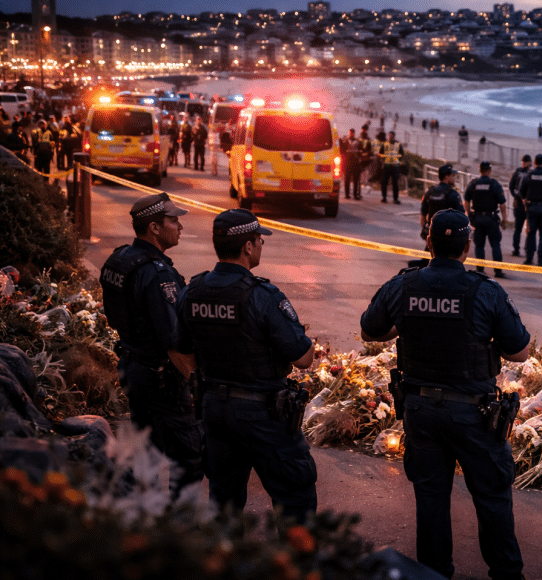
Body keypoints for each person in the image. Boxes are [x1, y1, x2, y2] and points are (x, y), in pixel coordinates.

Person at [359, 209, 530, 580]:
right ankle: (506, 574)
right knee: (492, 497)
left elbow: (370, 330)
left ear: (429, 242)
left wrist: (407, 325)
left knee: (431, 498)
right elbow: (519, 351)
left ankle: (433, 574)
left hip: (420, 411)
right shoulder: (485, 290)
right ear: (468, 246)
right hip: (475, 415)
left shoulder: (402, 286)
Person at [176, 209, 318, 522]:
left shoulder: (193, 291)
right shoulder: (262, 296)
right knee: (295, 497)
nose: (261, 247)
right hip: (263, 413)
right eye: (259, 241)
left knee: (223, 502)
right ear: (248, 247)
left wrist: (200, 378)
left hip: (214, 409)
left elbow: (177, 347)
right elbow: (302, 358)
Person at [99, 193, 203, 496]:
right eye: (173, 221)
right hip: (161, 380)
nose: (180, 227)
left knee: (147, 451)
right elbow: (174, 341)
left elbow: (113, 315)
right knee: (188, 458)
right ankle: (178, 521)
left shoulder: (120, 259)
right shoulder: (158, 274)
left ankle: (147, 513)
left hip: (133, 366)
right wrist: (197, 384)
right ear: (154, 228)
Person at [464, 161, 507, 278]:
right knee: (495, 245)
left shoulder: (473, 183)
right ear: (489, 171)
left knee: (479, 245)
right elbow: (502, 204)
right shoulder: (494, 184)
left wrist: (468, 214)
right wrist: (504, 219)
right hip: (491, 218)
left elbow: (466, 200)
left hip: (477, 218)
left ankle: (480, 270)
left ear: (480, 170)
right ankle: (498, 271)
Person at [421, 163, 465, 241]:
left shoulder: (429, 192)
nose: (454, 178)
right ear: (446, 177)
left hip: (432, 234)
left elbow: (423, 215)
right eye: (452, 176)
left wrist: (426, 231)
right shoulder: (453, 194)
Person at [508, 154, 532, 258]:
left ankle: (516, 249)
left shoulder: (517, 172)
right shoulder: (531, 173)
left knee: (518, 228)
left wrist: (516, 196)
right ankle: (527, 249)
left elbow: (511, 186)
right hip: (528, 204)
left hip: (518, 203)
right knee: (528, 228)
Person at [380, 130, 404, 204]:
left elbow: (402, 154)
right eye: (389, 136)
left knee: (395, 183)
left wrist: (397, 159)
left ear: (394, 137)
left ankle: (395, 199)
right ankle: (384, 197)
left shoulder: (398, 144)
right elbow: (380, 153)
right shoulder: (385, 144)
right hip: (386, 166)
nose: (390, 137)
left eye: (392, 136)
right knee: (384, 182)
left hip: (395, 166)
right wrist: (383, 159)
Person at [341, 128, 363, 200]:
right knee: (346, 179)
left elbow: (361, 150)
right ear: (348, 133)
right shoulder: (345, 141)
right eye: (350, 133)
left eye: (352, 133)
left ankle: (355, 195)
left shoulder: (358, 141)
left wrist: (359, 153)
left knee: (356, 179)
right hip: (347, 162)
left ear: (354, 133)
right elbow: (341, 150)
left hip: (356, 162)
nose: (351, 134)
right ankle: (347, 194)